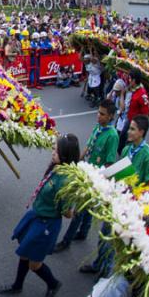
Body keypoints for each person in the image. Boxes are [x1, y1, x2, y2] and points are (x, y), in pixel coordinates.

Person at [0, 134, 81, 297]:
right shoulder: (57, 167)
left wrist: (72, 208)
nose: (53, 152)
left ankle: (53, 283)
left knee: (34, 264)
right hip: (36, 216)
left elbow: (67, 213)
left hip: (46, 225)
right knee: (24, 253)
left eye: (56, 151)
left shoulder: (66, 180)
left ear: (65, 155)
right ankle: (17, 285)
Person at [81, 115, 149, 278]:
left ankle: (105, 274)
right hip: (117, 197)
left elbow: (148, 184)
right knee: (105, 235)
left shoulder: (148, 155)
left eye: (132, 129)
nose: (128, 132)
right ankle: (98, 265)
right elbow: (119, 172)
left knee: (114, 241)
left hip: (130, 205)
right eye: (129, 128)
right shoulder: (126, 150)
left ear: (142, 132)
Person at [54, 100, 118, 252]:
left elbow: (109, 162)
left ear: (110, 116)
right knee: (88, 208)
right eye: (98, 112)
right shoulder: (98, 128)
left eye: (102, 114)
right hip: (87, 172)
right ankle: (83, 232)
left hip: (96, 179)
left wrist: (100, 183)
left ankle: (66, 241)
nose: (98, 116)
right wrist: (76, 162)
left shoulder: (112, 136)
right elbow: (88, 148)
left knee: (79, 210)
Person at [120, 71, 149, 154]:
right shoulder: (133, 89)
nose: (128, 80)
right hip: (129, 119)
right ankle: (123, 153)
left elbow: (145, 112)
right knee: (123, 136)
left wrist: (140, 126)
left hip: (136, 123)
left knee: (130, 140)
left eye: (130, 79)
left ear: (134, 80)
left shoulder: (142, 93)